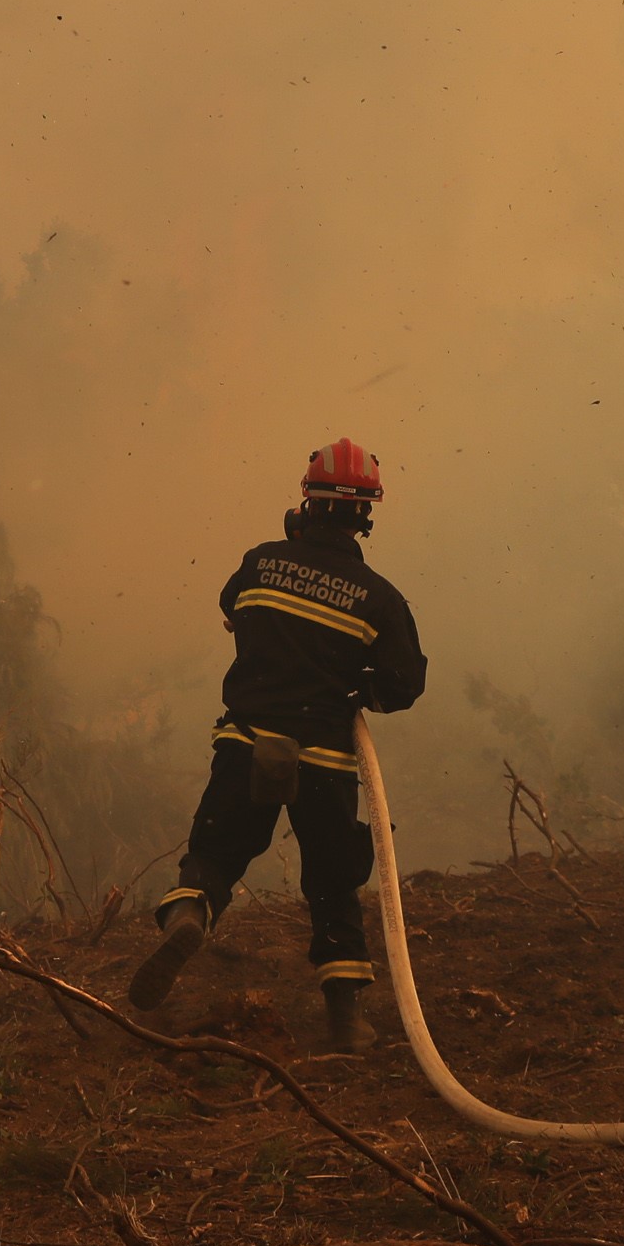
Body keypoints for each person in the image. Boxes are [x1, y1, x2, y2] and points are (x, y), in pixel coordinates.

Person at [126, 439, 427, 1053]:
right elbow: (405, 684)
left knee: (215, 853)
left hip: (246, 743)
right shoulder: (379, 597)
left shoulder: (261, 562)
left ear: (306, 502)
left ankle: (189, 915)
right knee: (332, 883)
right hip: (325, 759)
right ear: (366, 515)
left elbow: (231, 605)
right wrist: (357, 686)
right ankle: (345, 1018)